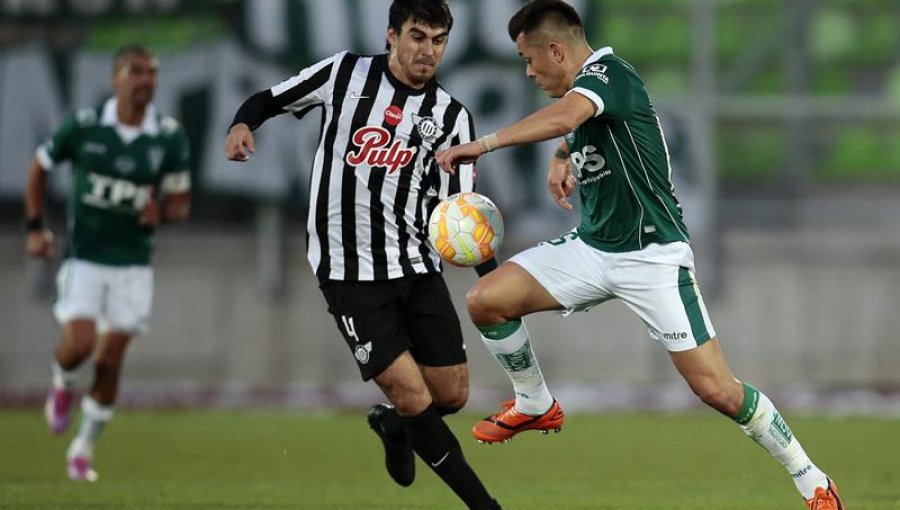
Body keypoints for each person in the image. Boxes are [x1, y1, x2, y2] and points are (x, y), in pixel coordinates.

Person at [435, 1, 845, 509]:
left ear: (556, 50)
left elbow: (571, 111)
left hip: (653, 257)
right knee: (486, 300)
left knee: (717, 389)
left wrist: (486, 144)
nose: (528, 70)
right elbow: (579, 120)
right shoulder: (587, 92)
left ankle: (812, 479)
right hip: (592, 247)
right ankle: (535, 401)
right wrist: (564, 156)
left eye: (528, 58)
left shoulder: (611, 73)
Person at [224, 1, 502, 508]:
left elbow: (462, 213)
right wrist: (242, 125)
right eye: (418, 37)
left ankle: (395, 428)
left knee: (452, 395)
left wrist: (494, 279)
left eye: (438, 40)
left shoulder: (452, 117)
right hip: (349, 273)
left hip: (418, 268)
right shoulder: (344, 74)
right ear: (391, 35)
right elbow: (269, 98)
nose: (428, 51)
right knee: (415, 395)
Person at [25, 44, 191, 482]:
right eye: (135, 72)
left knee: (111, 359)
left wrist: (162, 211)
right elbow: (40, 166)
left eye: (152, 72)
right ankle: (62, 384)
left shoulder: (168, 136)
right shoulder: (85, 127)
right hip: (86, 258)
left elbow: (179, 202)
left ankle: (82, 450)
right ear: (114, 78)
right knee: (79, 346)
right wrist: (34, 227)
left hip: (133, 264)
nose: (145, 80)